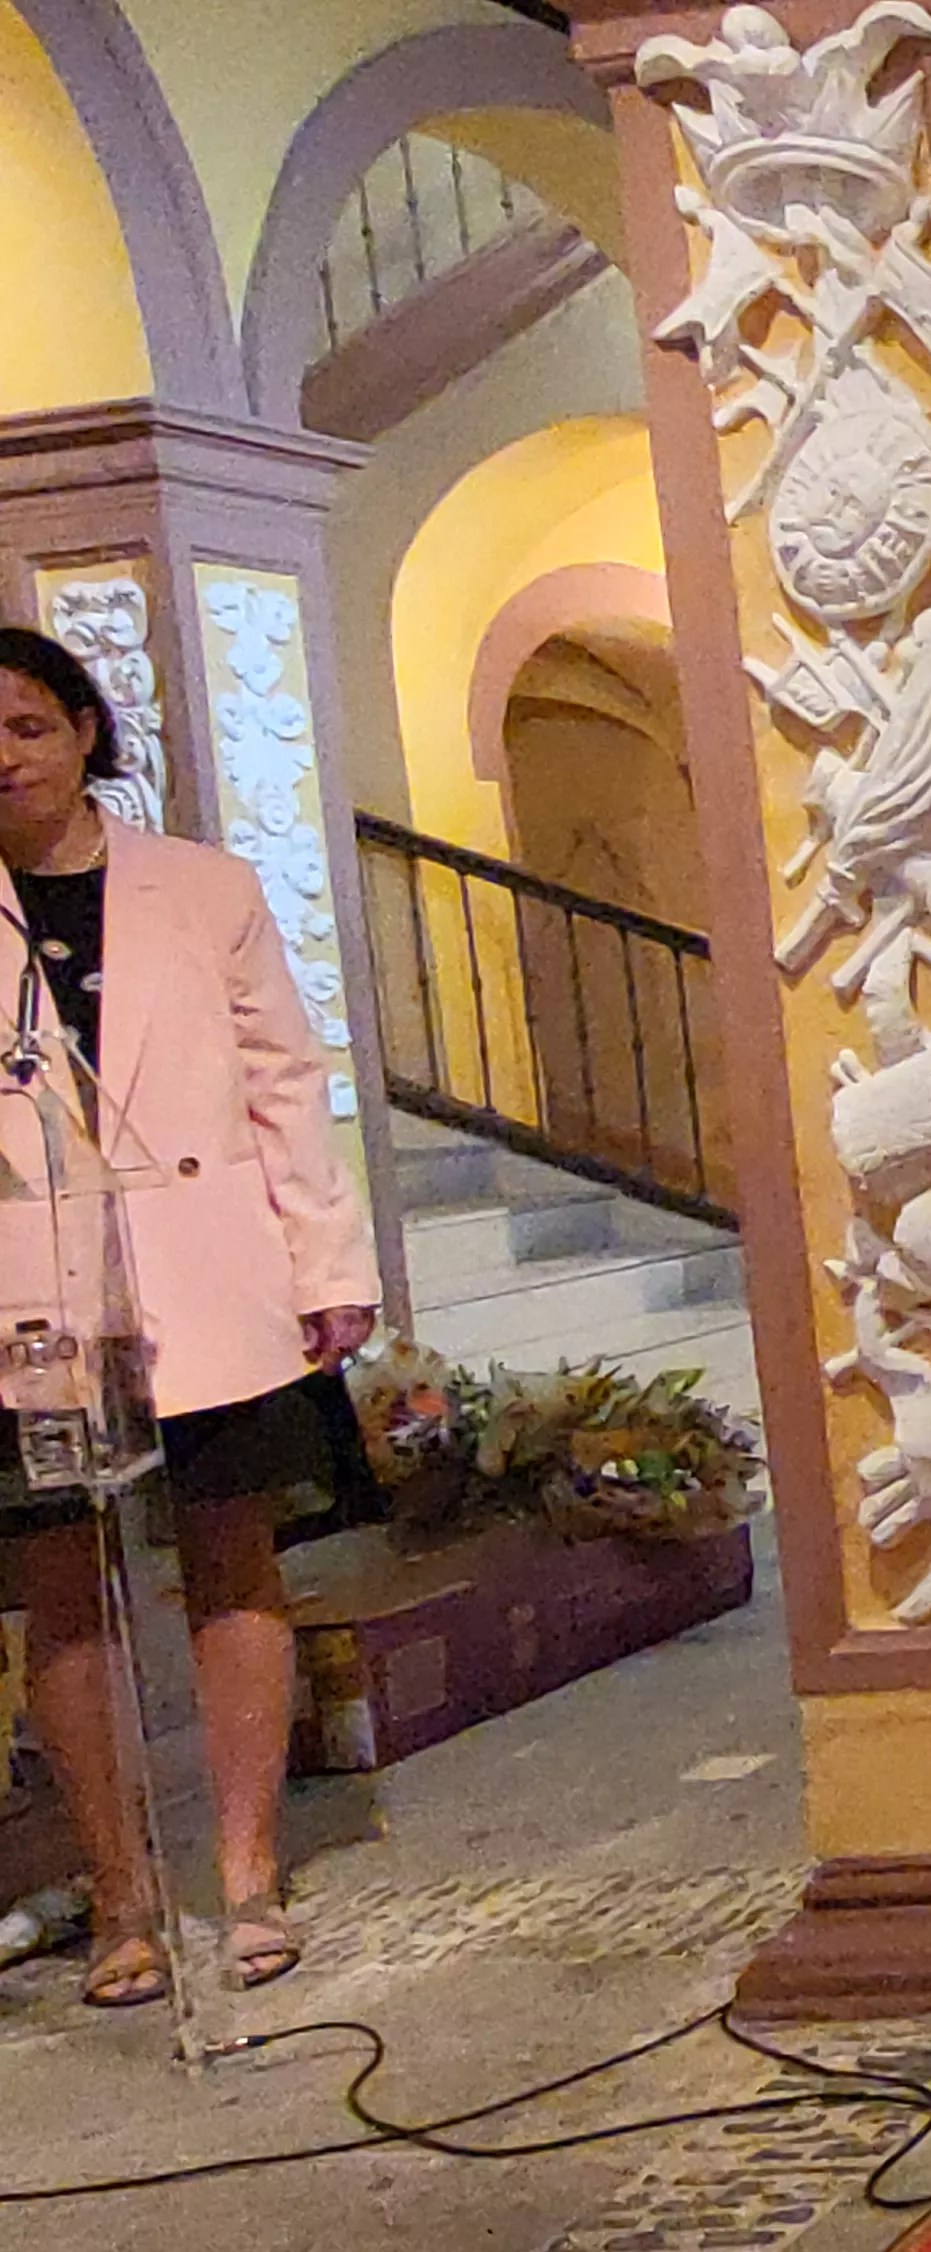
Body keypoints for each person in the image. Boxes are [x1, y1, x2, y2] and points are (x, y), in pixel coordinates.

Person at [0, 626, 380, 2008]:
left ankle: (244, 1869)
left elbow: (287, 1076)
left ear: (86, 730)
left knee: (234, 1555)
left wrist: (329, 1263)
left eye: (28, 726)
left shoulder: (202, 888)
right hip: (32, 1296)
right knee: (62, 1588)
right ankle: (120, 1894)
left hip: (204, 1263)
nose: (6, 758)